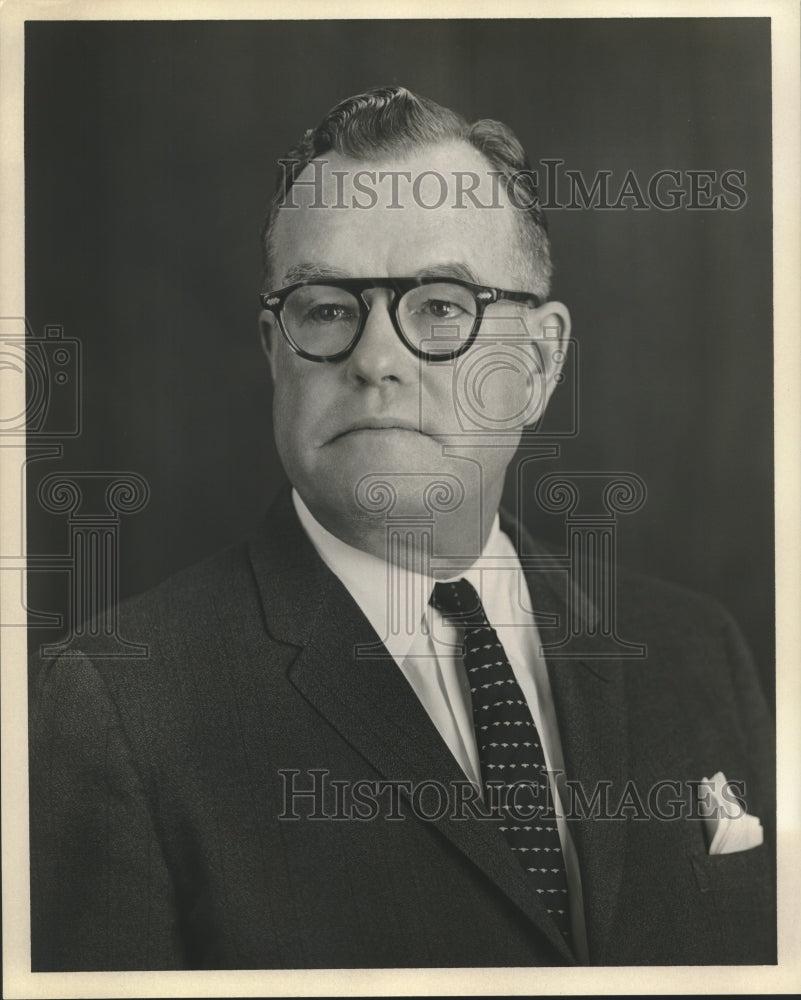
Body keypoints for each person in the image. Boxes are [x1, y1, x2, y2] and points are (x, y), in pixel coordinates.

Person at [29, 85, 775, 970]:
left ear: (536, 366)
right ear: (276, 352)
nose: (376, 359)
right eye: (326, 308)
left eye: (440, 306)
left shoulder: (696, 651)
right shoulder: (117, 703)